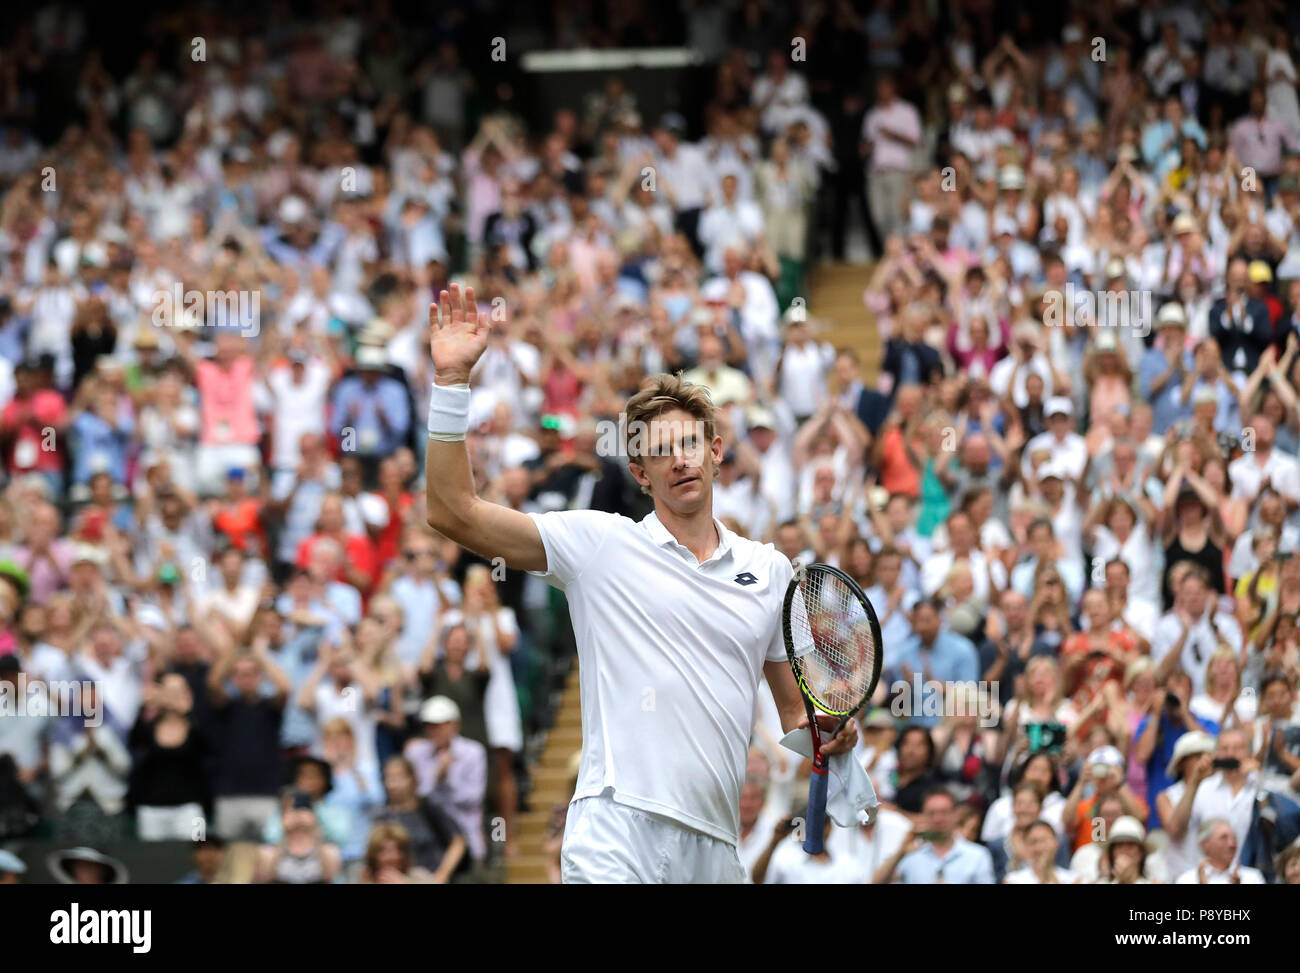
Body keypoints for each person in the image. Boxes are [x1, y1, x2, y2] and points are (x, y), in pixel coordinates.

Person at [422, 284, 856, 883]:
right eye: (660, 452)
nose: (678, 459)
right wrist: (450, 383)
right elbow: (453, 512)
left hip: (716, 847)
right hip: (616, 829)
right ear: (640, 474)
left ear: (715, 452)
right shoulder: (599, 545)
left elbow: (794, 715)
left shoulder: (772, 570)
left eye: (689, 444)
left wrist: (830, 737)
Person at [876, 788, 995, 884]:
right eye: (931, 813)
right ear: (923, 815)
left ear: (955, 815)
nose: (938, 819)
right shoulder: (910, 852)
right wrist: (900, 853)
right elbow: (876, 882)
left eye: (944, 812)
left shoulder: (977, 855)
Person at [1174, 818, 1265, 884]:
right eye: (1223, 838)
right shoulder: (1187, 880)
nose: (1232, 844)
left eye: (1234, 838)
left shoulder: (1253, 878)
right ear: (1205, 844)